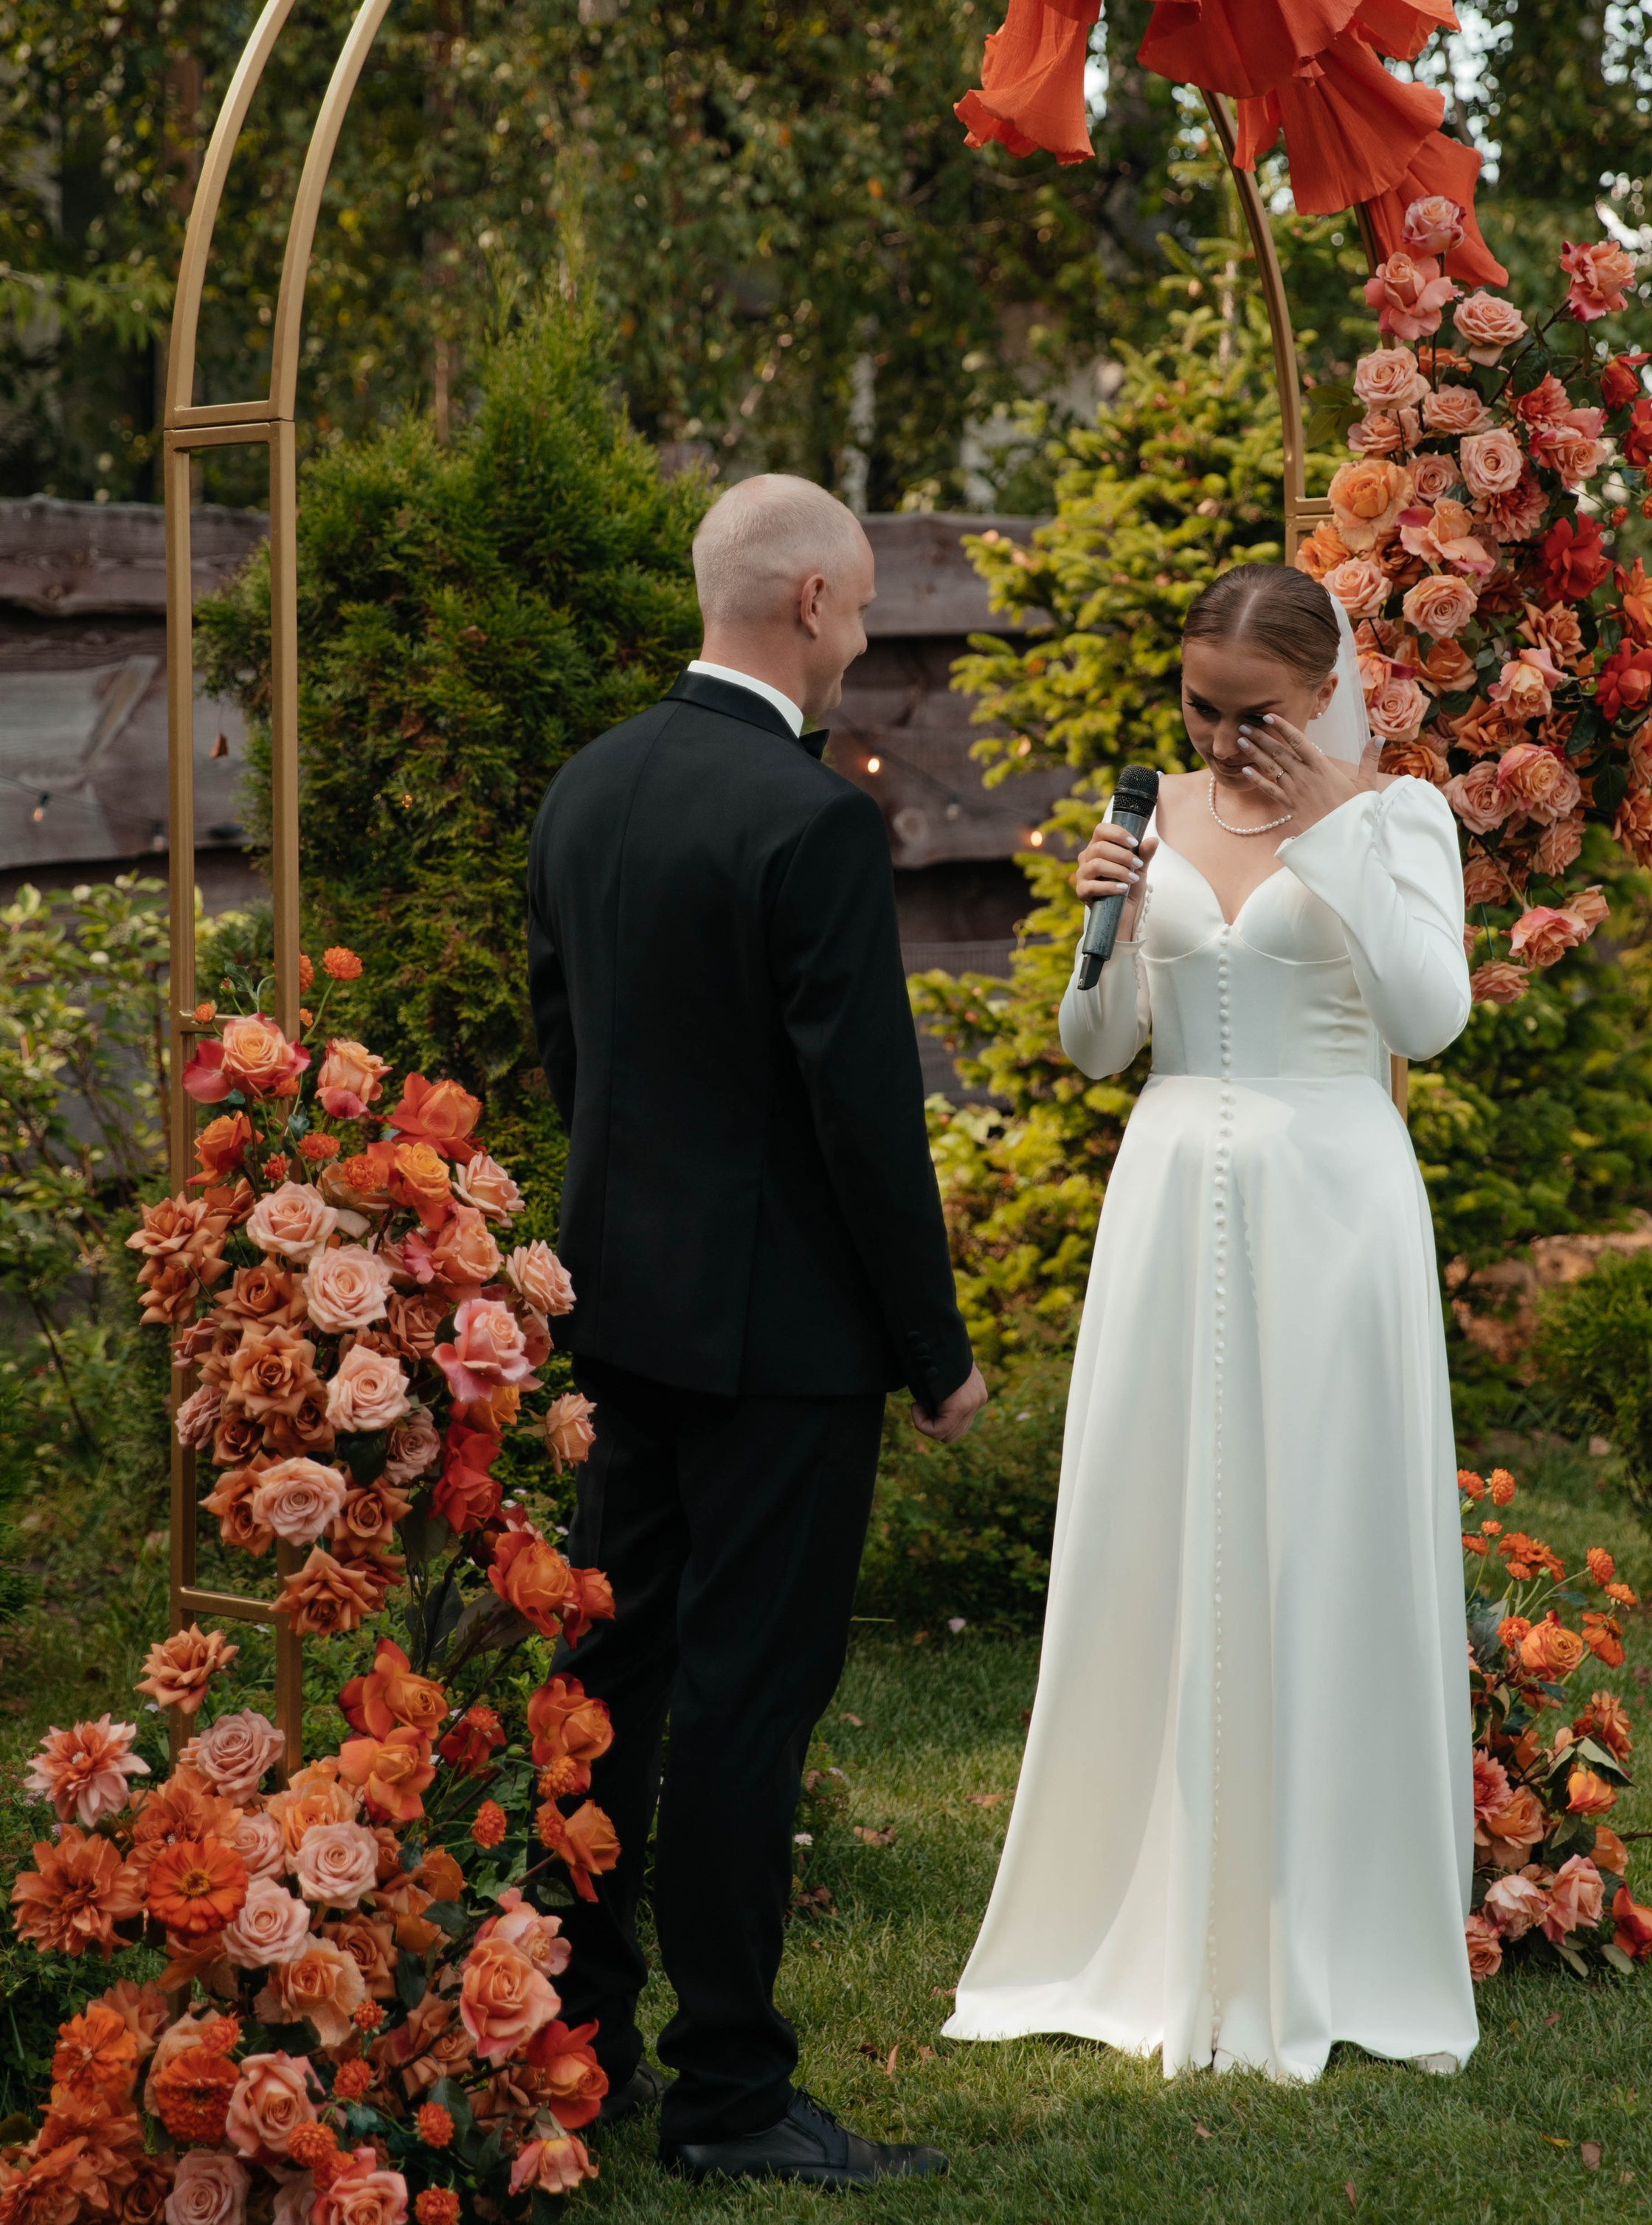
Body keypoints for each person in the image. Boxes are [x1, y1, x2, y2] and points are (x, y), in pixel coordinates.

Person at [944, 562, 1477, 2084]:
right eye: (1200, 707)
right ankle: (1149, 1902)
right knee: (1161, 1532)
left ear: (1320, 695)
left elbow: (1426, 1021)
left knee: (1322, 1533)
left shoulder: (1397, 816)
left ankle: (1332, 1917)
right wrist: (1096, 926)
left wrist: (1331, 825)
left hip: (1335, 1202)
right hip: (1173, 1195)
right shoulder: (1149, 815)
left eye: (1255, 714)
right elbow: (1095, 1047)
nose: (1226, 737)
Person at [527, 472, 987, 2184]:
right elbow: (864, 1119)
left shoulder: (588, 787)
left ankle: (573, 2045)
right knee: (741, 1705)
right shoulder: (805, 821)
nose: (864, 636)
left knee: (611, 1682)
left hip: (621, 1319)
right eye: (860, 606)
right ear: (803, 603)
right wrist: (932, 1357)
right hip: (784, 1347)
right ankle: (728, 2094)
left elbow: (567, 1052)